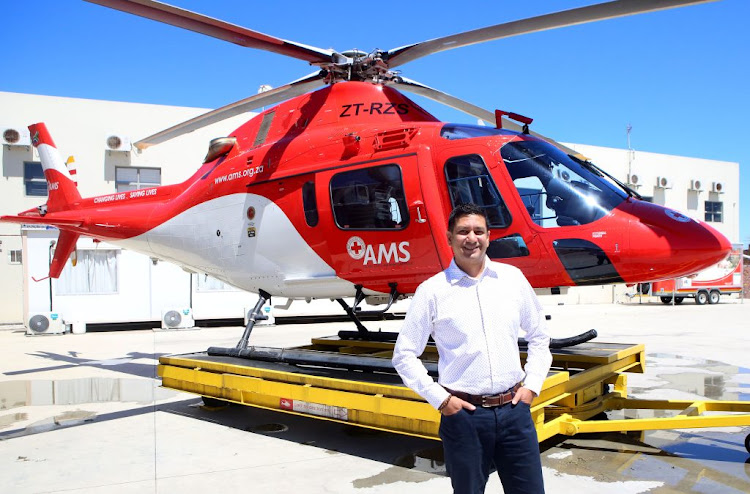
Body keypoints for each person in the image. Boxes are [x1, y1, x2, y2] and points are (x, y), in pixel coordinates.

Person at [392, 203, 552, 494]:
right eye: (463, 231)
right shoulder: (432, 291)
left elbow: (540, 336)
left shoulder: (512, 280)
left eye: (478, 231)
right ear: (450, 238)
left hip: (514, 412)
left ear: (489, 236)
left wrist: (532, 385)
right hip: (464, 417)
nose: (471, 238)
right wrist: (440, 399)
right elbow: (403, 355)